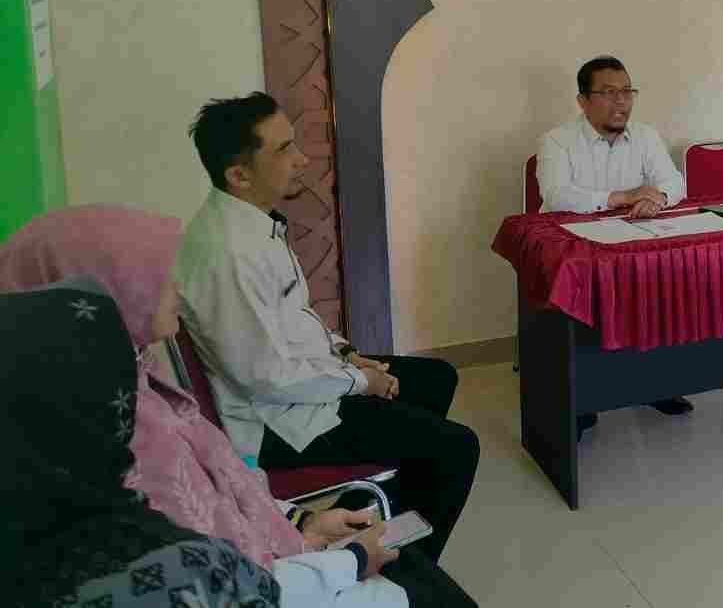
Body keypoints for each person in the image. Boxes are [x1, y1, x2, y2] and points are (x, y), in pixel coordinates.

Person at [0, 205, 477, 607]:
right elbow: (222, 578)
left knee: (431, 403)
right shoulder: (113, 434)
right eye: (160, 277)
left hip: (284, 550)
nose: (178, 289)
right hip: (282, 454)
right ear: (110, 290)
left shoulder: (137, 378)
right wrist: (345, 561)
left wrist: (302, 524)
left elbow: (303, 328)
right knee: (446, 465)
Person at [175, 92, 480, 563]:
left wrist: (347, 355)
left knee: (436, 378)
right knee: (457, 449)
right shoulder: (227, 254)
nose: (302, 159)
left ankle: (373, 515)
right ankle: (399, 567)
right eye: (284, 150)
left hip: (296, 388)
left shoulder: (250, 224)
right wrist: (360, 381)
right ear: (239, 175)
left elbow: (295, 318)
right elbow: (267, 377)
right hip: (279, 422)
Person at [4, 276, 299, 608]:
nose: (178, 289)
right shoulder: (186, 570)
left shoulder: (150, 388)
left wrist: (296, 521)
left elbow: (225, 493)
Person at [537, 55, 694, 425]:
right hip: (574, 248)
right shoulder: (556, 141)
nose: (621, 101)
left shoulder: (646, 136)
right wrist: (623, 197)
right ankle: (580, 399)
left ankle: (654, 383)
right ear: (583, 100)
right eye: (608, 93)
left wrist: (658, 198)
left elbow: (674, 182)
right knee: (583, 299)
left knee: (662, 284)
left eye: (627, 91)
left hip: (630, 242)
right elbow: (557, 195)